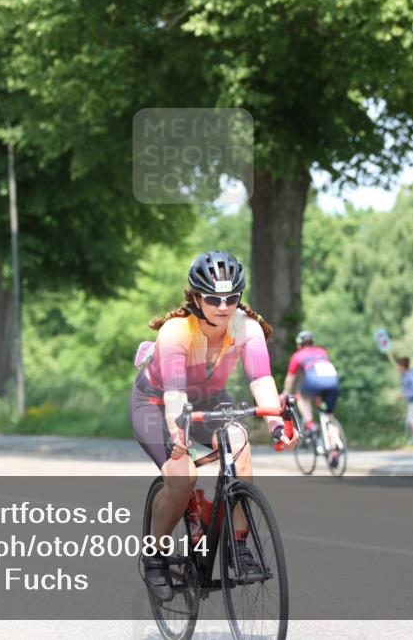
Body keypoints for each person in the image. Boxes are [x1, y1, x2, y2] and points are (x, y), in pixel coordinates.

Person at [129, 250, 297, 598]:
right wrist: (177, 435)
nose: (223, 306)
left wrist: (277, 423)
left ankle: (240, 546)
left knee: (239, 443)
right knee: (182, 474)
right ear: (195, 297)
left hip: (206, 399)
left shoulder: (248, 328)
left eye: (231, 298)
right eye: (213, 298)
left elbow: (261, 380)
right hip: (156, 400)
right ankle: (155, 555)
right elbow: (175, 394)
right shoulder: (177, 331)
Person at [282, 330, 343, 467]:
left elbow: (290, 378)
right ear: (313, 343)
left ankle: (310, 425)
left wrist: (286, 392)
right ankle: (335, 447)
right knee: (329, 417)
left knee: (301, 398)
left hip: (315, 382)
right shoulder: (322, 352)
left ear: (299, 345)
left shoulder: (298, 355)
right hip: (333, 382)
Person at [397, 357, 413, 444]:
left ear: (403, 366)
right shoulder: (405, 376)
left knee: (411, 420)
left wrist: (405, 395)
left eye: (399, 367)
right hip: (412, 401)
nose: (397, 368)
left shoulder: (411, 376)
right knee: (411, 420)